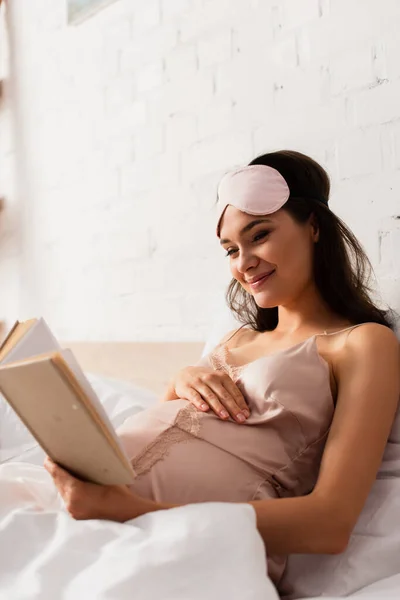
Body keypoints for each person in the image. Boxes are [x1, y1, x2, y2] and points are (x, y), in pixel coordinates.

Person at [45, 150, 400, 592]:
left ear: (313, 226)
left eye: (260, 235)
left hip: (181, 544)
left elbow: (330, 523)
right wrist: (178, 382)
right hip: (91, 516)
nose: (243, 261)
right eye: (231, 249)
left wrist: (126, 510)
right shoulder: (235, 339)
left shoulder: (361, 343)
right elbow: (172, 431)